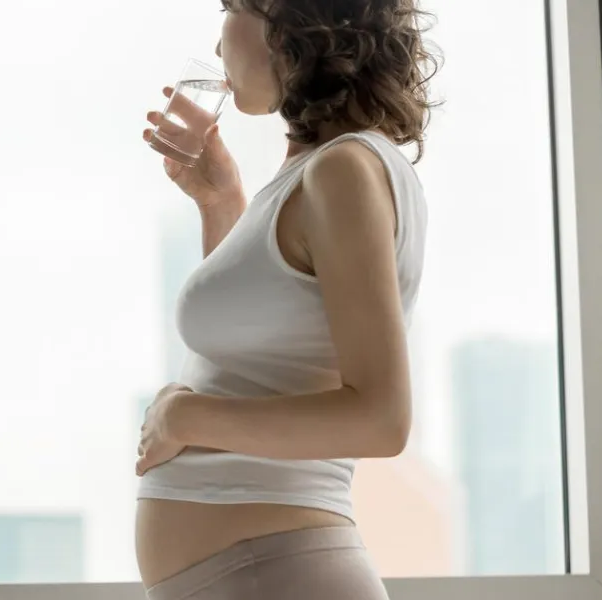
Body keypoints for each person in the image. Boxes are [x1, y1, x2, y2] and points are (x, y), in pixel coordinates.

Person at [134, 0, 439, 599]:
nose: (219, 48)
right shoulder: (319, 168)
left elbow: (381, 420)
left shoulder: (343, 169)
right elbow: (262, 351)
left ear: (284, 16)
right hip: (261, 574)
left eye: (227, 10)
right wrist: (220, 203)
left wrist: (184, 417)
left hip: (279, 573)